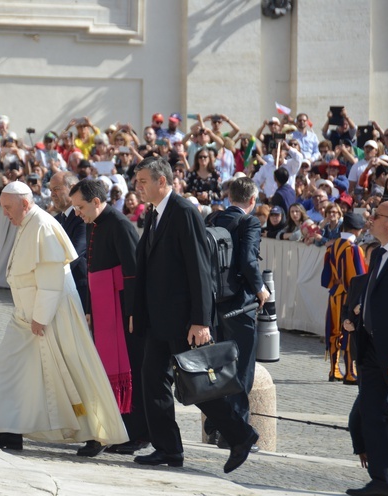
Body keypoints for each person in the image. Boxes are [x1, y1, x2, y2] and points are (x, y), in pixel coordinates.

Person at [0, 181, 128, 451]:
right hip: (27, 316)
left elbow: (51, 278)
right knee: (13, 371)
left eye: (8, 208)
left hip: (51, 315)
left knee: (72, 370)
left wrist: (41, 318)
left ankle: (97, 432)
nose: (5, 213)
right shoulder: (28, 223)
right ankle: (9, 429)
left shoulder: (42, 225)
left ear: (24, 203)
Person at [131, 156, 258, 473]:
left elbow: (200, 269)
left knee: (196, 384)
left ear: (162, 181)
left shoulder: (184, 212)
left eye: (143, 181)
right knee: (152, 382)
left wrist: (201, 321)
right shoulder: (155, 213)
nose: (138, 187)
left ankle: (241, 435)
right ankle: (168, 449)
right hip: (159, 319)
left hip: (184, 320)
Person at [69, 179, 150, 457]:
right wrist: (90, 308)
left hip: (121, 310)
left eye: (80, 207)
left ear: (96, 201)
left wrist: (132, 312)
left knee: (130, 371)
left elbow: (133, 272)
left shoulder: (119, 224)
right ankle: (118, 428)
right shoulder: (93, 224)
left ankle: (138, 433)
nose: (77, 213)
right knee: (106, 371)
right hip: (103, 308)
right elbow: (92, 271)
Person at [203, 177, 270, 449]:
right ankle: (236, 432)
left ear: (230, 196)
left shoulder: (212, 220)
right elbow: (248, 259)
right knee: (242, 368)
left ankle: (215, 426)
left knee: (219, 366)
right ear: (252, 201)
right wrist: (261, 289)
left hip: (213, 302)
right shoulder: (249, 222)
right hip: (239, 303)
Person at [348, 201, 388, 496]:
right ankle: (382, 480)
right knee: (369, 412)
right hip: (372, 351)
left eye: (376, 216)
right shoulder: (379, 254)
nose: (370, 220)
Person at [321, 212, 367, 384]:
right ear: (358, 230)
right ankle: (349, 372)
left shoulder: (331, 247)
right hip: (349, 296)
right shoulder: (354, 249)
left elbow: (325, 278)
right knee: (348, 330)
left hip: (334, 294)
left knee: (334, 332)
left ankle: (334, 370)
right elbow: (360, 278)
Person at [49, 172, 88, 307]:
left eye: (57, 189)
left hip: (80, 291)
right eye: (51, 190)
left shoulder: (84, 217)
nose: (52, 194)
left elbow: (74, 253)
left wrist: (50, 277)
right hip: (60, 290)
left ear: (72, 188)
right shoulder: (55, 220)